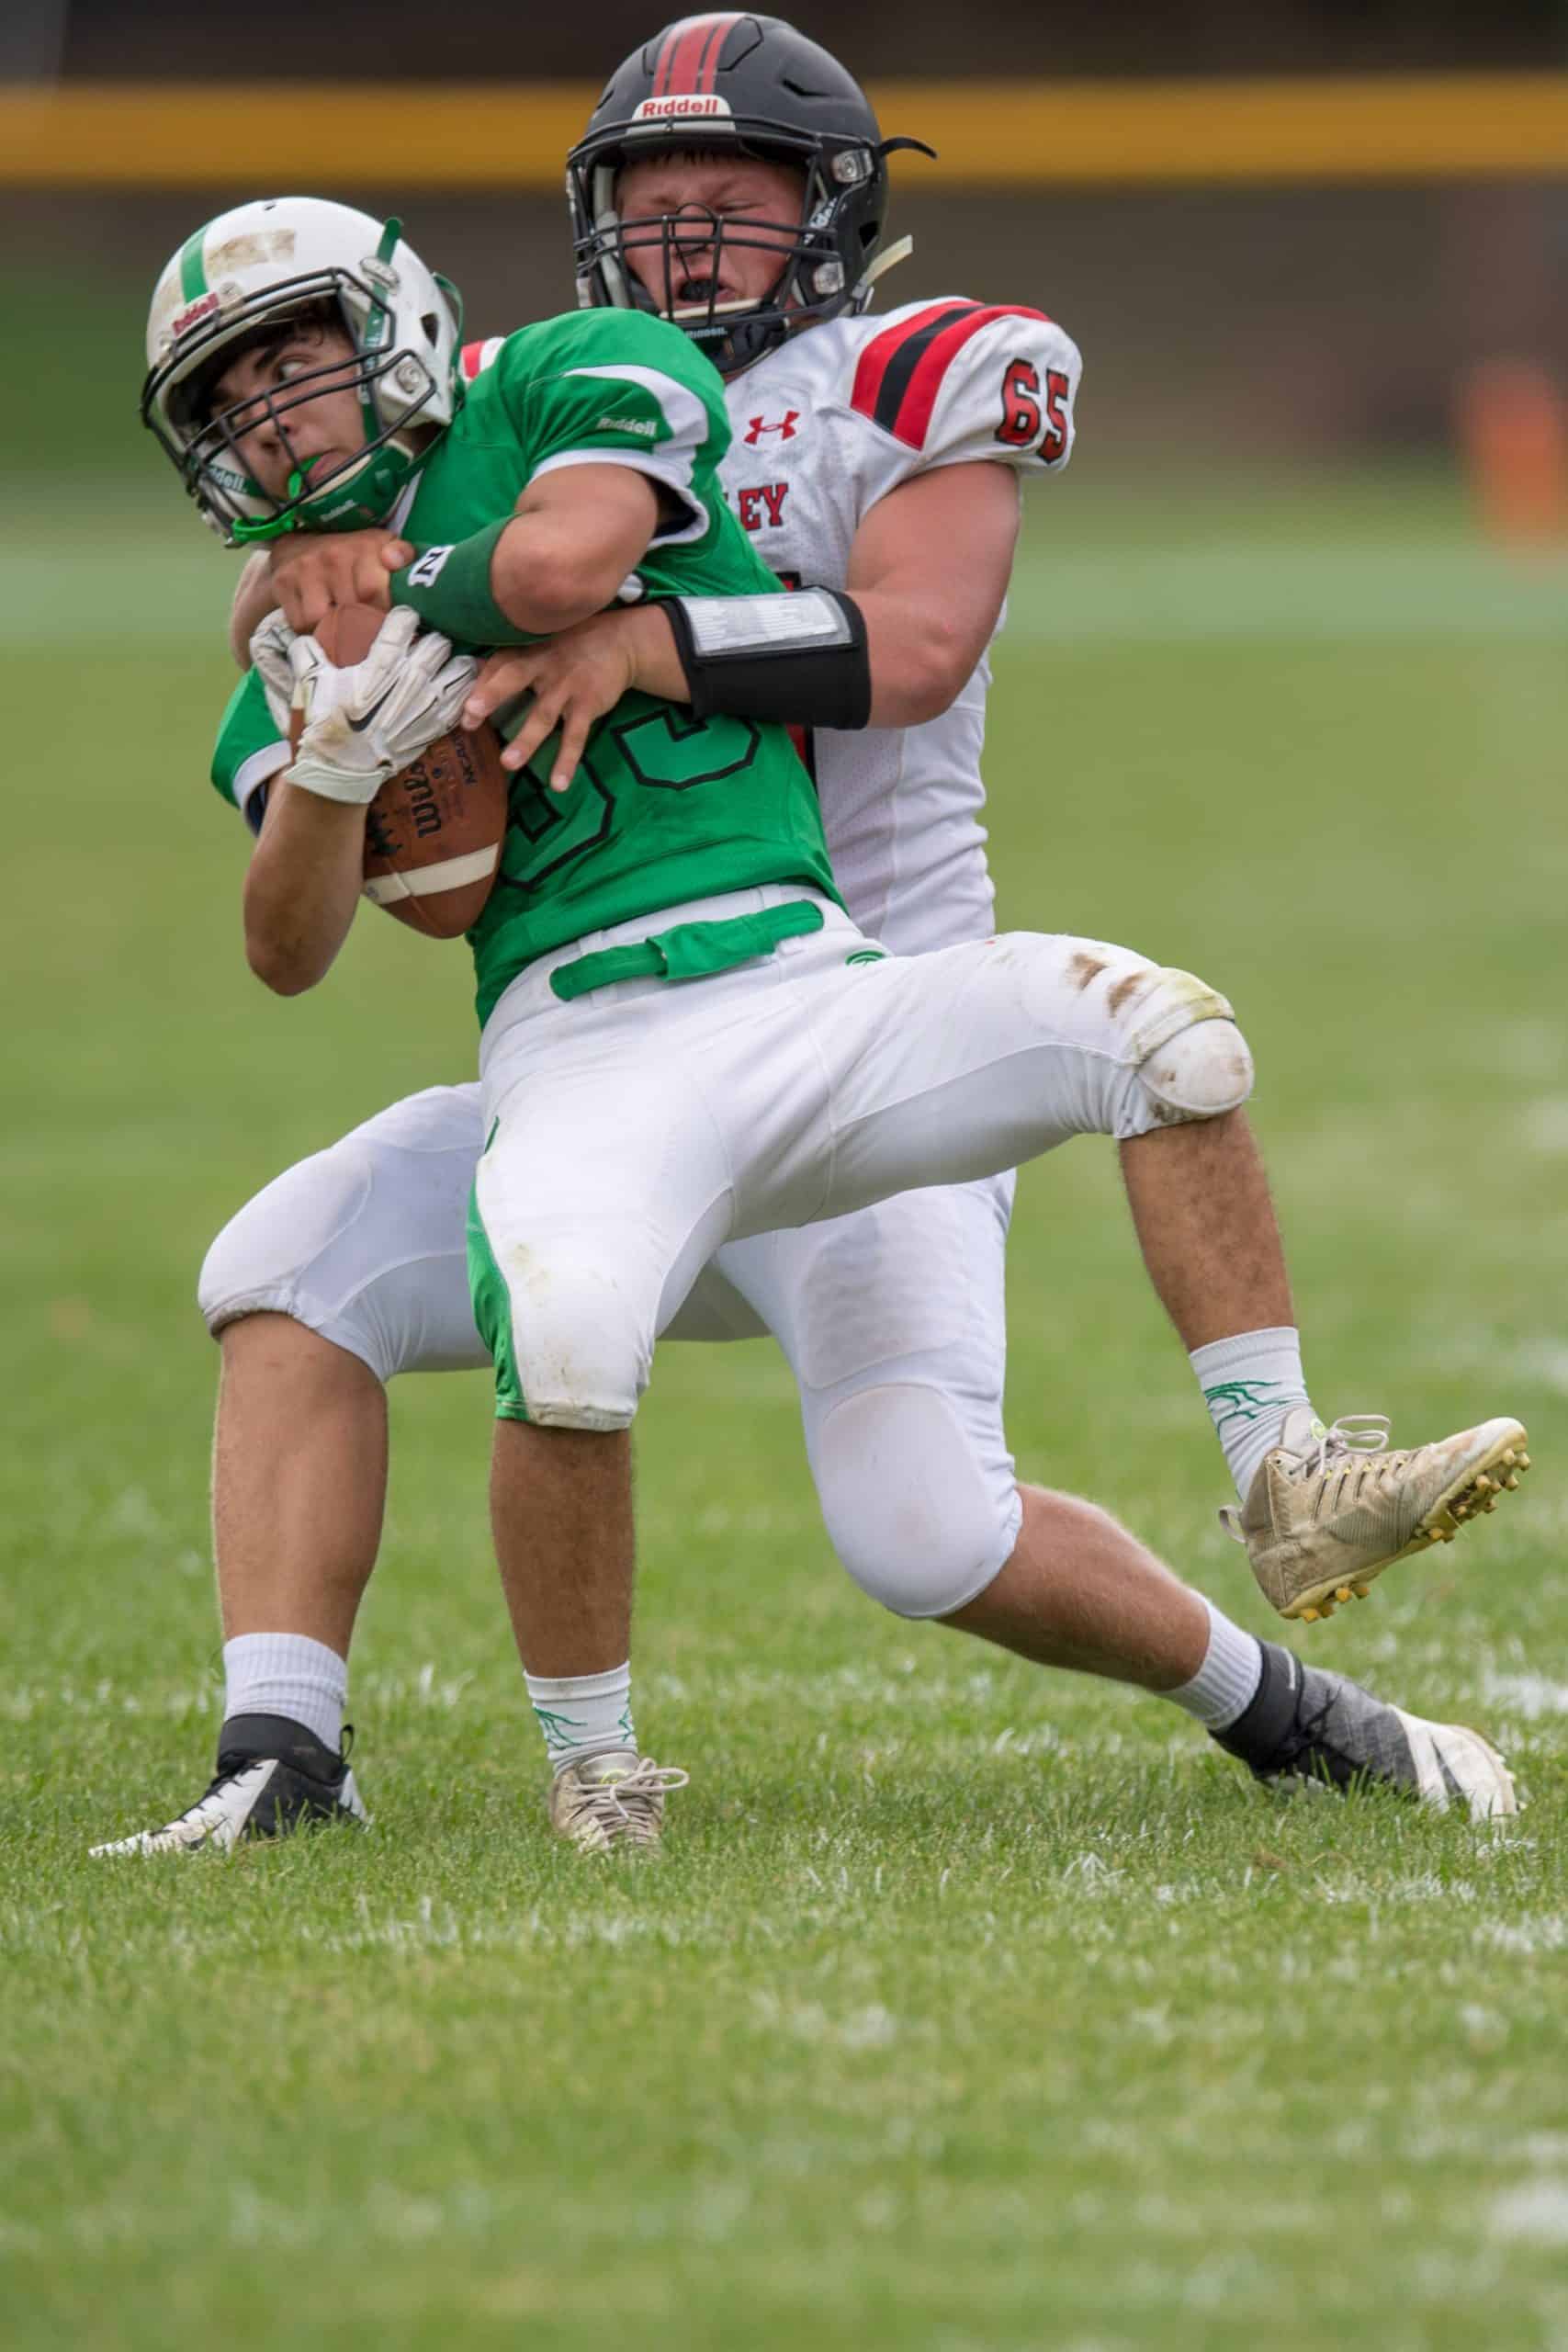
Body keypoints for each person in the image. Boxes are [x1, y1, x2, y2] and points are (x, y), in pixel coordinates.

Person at [95, 23, 1526, 1860]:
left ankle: (1289, 1567)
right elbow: (329, 718)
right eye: (652, 198)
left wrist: (629, 637)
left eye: (732, 194)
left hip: (863, 1011)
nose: (686, 233)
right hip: (589, 1060)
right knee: (293, 1268)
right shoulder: (482, 428)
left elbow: (897, 643)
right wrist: (326, 692)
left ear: (831, 206)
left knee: (926, 1525)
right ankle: (306, 1755)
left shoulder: (792, 376)